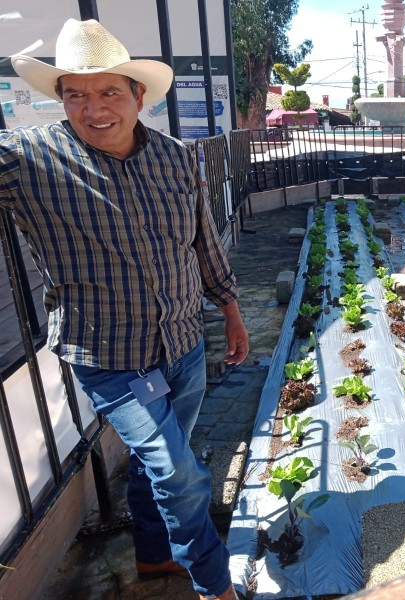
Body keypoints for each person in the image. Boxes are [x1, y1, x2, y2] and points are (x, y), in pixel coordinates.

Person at [2, 19, 245, 600]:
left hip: (184, 344)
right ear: (60, 100)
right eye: (75, 94)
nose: (94, 108)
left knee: (157, 465)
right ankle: (216, 586)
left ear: (139, 95)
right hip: (109, 354)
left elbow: (202, 242)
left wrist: (231, 310)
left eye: (109, 91)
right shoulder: (27, 160)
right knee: (178, 473)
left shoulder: (177, 159)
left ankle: (156, 556)